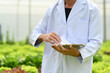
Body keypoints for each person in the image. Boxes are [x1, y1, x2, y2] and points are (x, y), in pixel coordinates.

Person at [30, 0, 103, 73]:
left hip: (77, 68)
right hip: (52, 67)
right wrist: (43, 36)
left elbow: (96, 41)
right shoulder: (52, 9)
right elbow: (33, 35)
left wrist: (78, 53)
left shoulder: (91, 9)